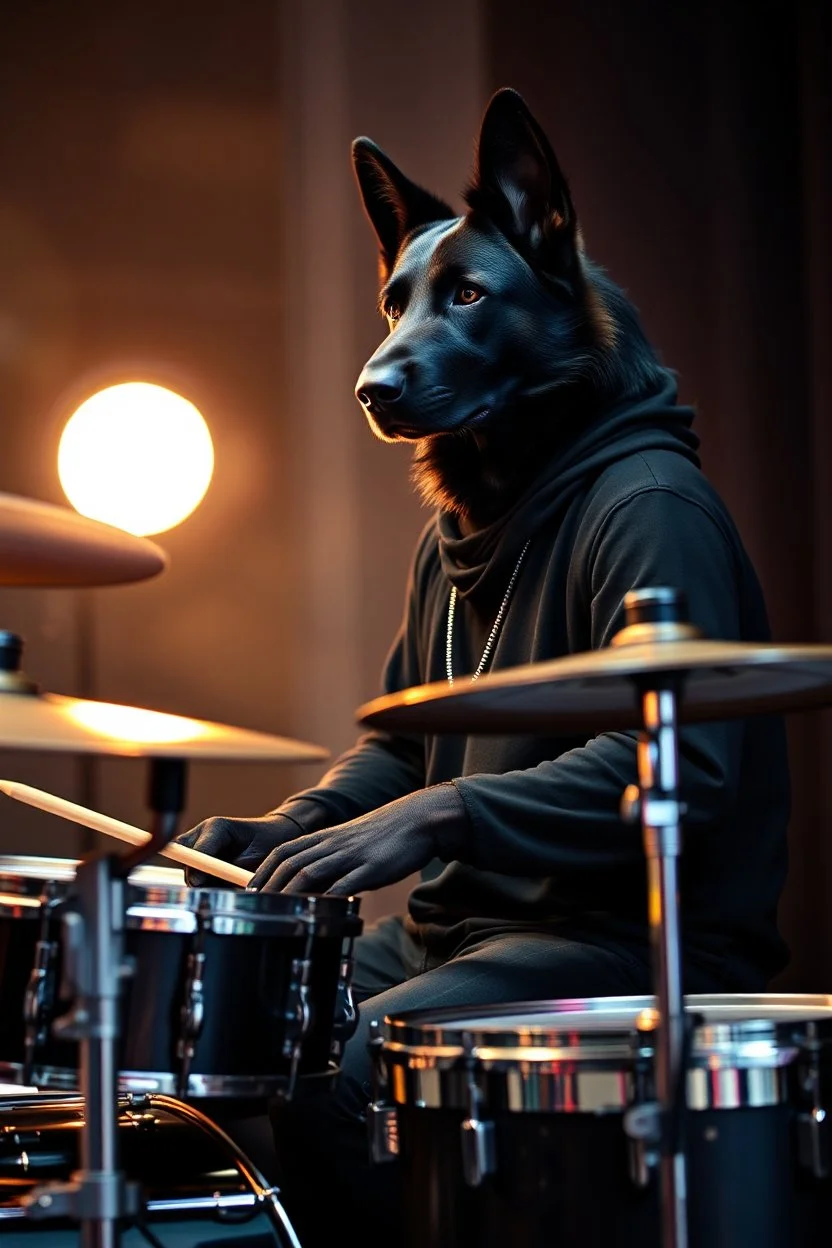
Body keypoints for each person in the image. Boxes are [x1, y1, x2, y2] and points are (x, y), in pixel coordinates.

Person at [177, 89, 789, 1244]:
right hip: (466, 934)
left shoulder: (646, 504)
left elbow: (684, 765)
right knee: (246, 1027)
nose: (397, 347)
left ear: (545, 267)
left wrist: (448, 817)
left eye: (461, 297)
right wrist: (293, 829)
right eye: (401, 299)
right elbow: (407, 744)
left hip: (625, 942)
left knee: (353, 1069)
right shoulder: (456, 532)